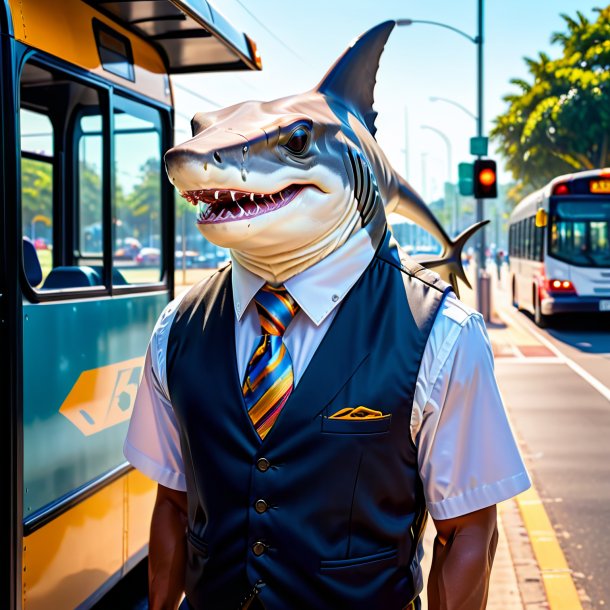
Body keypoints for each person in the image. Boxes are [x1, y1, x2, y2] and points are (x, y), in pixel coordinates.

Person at [124, 21, 530, 610]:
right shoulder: (177, 331)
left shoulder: (442, 336)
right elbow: (174, 502)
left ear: (355, 165)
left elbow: (467, 533)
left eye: (291, 145)